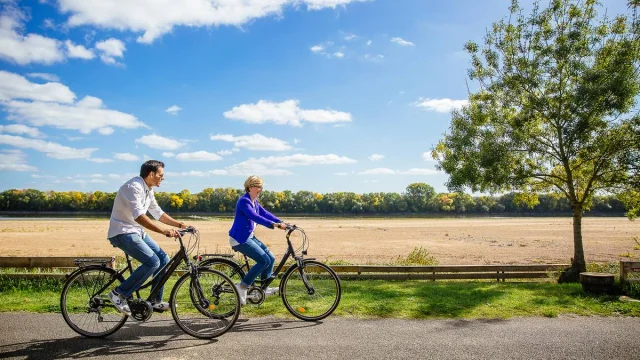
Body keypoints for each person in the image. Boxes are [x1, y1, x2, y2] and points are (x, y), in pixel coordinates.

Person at [107, 160, 193, 315]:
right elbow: (139, 216)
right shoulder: (133, 187)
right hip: (122, 231)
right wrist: (164, 231)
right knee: (152, 262)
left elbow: (158, 213)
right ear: (151, 174)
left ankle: (155, 301)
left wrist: (180, 225)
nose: (163, 178)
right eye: (161, 175)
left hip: (136, 231)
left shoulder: (148, 190)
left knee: (163, 259)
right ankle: (119, 293)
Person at [229, 175, 288, 305]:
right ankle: (242, 287)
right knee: (263, 260)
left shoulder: (254, 201)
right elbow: (255, 217)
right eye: (258, 187)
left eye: (261, 187)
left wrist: (281, 222)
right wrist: (274, 225)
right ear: (250, 187)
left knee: (271, 258)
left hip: (249, 236)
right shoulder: (244, 201)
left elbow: (265, 213)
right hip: (239, 239)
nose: (260, 189)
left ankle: (263, 288)